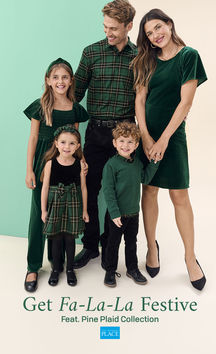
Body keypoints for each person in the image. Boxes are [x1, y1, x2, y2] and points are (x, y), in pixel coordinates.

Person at [132, 9, 207, 290]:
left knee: (179, 196)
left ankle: (190, 258)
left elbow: (185, 103)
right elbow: (140, 100)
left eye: (158, 27)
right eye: (150, 33)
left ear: (170, 24)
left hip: (172, 138)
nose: (155, 35)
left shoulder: (189, 56)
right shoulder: (146, 61)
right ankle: (152, 247)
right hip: (146, 136)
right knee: (149, 191)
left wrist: (162, 140)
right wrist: (146, 137)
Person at [74, 0, 137, 269]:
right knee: (90, 189)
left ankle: (110, 245)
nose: (108, 33)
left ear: (128, 26)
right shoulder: (91, 53)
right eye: (105, 27)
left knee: (121, 195)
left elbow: (145, 100)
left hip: (125, 136)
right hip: (96, 133)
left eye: (113, 28)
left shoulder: (140, 57)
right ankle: (90, 246)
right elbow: (74, 95)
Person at [24, 58, 89, 292]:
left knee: (61, 214)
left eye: (64, 77)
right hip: (43, 163)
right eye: (56, 77)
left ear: (70, 80)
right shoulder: (39, 107)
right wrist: (30, 169)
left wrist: (81, 162)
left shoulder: (75, 109)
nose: (60, 81)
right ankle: (33, 266)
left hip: (66, 165)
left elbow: (75, 141)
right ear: (48, 80)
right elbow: (33, 138)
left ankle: (57, 262)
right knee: (39, 215)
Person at [102, 122, 159, 287]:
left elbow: (145, 178)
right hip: (116, 215)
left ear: (136, 145)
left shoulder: (137, 163)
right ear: (115, 143)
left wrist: (155, 162)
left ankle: (132, 269)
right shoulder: (111, 165)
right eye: (121, 141)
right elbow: (108, 190)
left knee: (131, 243)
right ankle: (110, 271)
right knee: (113, 244)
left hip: (133, 213)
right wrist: (114, 213)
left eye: (129, 142)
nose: (125, 145)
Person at [41, 125, 89, 286]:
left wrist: (84, 210)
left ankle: (69, 269)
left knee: (70, 239)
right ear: (56, 143)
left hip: (73, 203)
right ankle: (56, 269)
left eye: (71, 143)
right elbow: (45, 188)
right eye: (63, 142)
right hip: (56, 204)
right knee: (55, 238)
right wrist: (43, 210)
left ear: (78, 146)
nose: (67, 147)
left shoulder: (79, 164)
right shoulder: (50, 164)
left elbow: (83, 187)